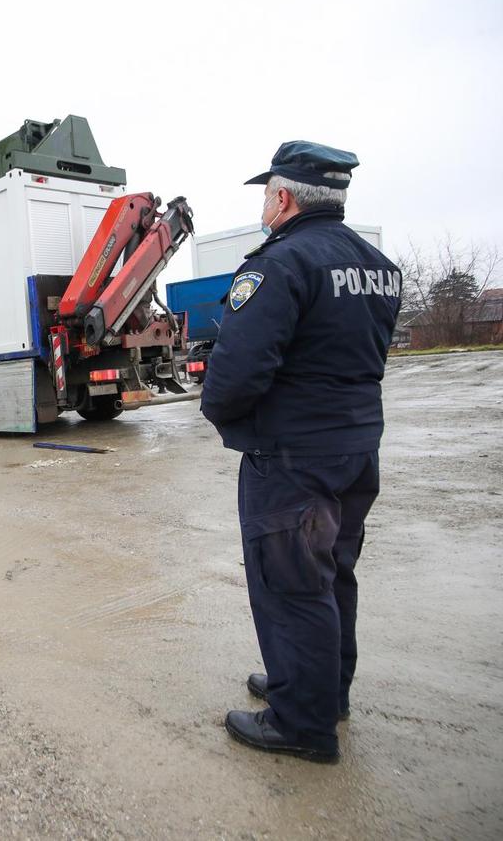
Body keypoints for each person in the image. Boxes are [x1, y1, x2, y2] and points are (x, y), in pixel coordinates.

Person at [200, 141, 402, 763]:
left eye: (266, 193)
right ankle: (321, 690)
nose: (264, 204)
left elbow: (237, 371)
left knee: (292, 583)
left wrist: (221, 411)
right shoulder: (377, 264)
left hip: (292, 456)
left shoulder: (281, 265)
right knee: (332, 572)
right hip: (355, 447)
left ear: (283, 197)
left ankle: (301, 723)